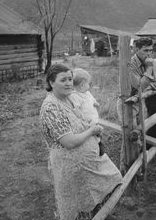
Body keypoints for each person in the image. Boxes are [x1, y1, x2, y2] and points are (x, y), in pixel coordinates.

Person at [39, 64, 122, 220]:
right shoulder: (51, 107)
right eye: (63, 80)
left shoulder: (69, 98)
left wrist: (91, 125)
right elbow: (69, 142)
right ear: (51, 83)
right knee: (76, 202)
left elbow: (81, 119)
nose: (69, 83)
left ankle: (99, 214)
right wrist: (91, 131)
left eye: (70, 79)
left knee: (108, 185)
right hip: (69, 167)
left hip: (87, 163)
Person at [117, 37, 156, 174]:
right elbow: (139, 85)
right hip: (126, 103)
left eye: (151, 50)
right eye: (145, 50)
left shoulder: (143, 62)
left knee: (138, 134)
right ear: (136, 49)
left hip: (138, 102)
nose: (149, 54)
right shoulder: (130, 64)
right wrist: (150, 67)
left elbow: (148, 83)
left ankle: (136, 167)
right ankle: (124, 172)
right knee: (129, 137)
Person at [70, 68, 105, 156]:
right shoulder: (75, 96)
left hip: (93, 119)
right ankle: (96, 148)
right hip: (86, 122)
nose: (89, 85)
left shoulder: (87, 93)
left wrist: (95, 103)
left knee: (97, 134)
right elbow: (76, 108)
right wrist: (79, 116)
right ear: (82, 85)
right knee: (92, 135)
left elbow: (92, 99)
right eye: (88, 83)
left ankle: (98, 145)